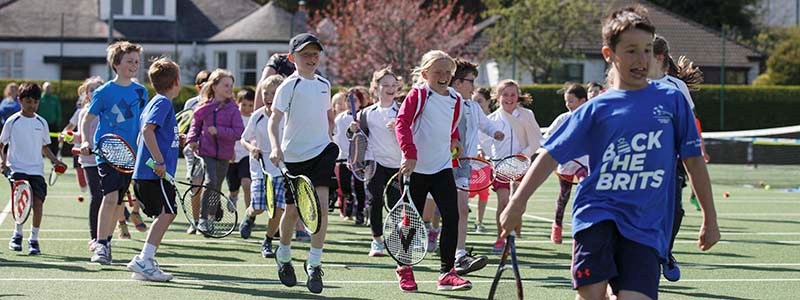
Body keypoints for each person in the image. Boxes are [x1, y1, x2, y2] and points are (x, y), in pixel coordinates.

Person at [499, 6, 721, 300]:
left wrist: (710, 218)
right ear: (609, 54)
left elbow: (693, 160)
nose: (641, 59)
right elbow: (550, 155)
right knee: (591, 294)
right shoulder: (596, 109)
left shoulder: (672, 101)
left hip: (646, 224)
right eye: (631, 51)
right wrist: (517, 203)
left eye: (646, 50)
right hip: (597, 216)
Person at [394, 50, 472, 292]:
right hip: (415, 170)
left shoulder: (456, 99)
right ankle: (404, 268)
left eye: (448, 72)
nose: (443, 76)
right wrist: (409, 154)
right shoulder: (419, 94)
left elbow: (451, 127)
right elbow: (402, 123)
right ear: (426, 73)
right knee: (412, 223)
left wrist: (455, 140)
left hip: (441, 169)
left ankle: (447, 273)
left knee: (452, 217)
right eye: (438, 72)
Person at [268, 33, 337, 294]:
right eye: (305, 54)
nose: (311, 58)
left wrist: (331, 133)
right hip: (294, 157)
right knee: (293, 212)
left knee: (320, 207)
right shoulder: (288, 86)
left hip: (322, 152)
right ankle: (283, 254)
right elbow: (274, 120)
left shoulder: (324, 84)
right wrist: (275, 147)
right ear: (292, 57)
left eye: (315, 54)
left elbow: (326, 115)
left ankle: (314, 262)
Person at [649, 34, 711, 282]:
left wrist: (699, 148)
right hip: (642, 161)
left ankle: (666, 251)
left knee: (675, 212)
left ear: (659, 57)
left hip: (672, 159)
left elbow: (692, 123)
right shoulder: (632, 84)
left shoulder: (676, 87)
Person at [80, 41, 148, 265]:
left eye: (137, 61)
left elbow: (144, 123)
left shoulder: (141, 92)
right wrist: (87, 142)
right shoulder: (104, 92)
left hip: (131, 155)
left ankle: (107, 241)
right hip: (107, 152)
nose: (134, 65)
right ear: (116, 64)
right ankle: (100, 245)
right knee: (109, 198)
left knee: (119, 202)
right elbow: (88, 119)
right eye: (129, 61)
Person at [127, 57, 182, 282]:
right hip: (155, 173)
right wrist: (159, 161)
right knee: (168, 213)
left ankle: (145, 261)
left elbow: (148, 134)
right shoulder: (163, 103)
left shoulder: (154, 102)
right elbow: (148, 131)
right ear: (176, 81)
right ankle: (144, 259)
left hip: (149, 173)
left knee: (165, 213)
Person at [449, 58, 503, 275]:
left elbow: (485, 124)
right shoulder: (444, 103)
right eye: (470, 81)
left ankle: (459, 255)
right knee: (433, 210)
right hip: (439, 165)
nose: (474, 85)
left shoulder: (472, 106)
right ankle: (428, 233)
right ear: (458, 82)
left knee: (461, 209)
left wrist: (495, 132)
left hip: (464, 166)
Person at [0, 82, 66, 255]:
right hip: (17, 168)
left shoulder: (41, 122)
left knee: (38, 203)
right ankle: (17, 234)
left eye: (35, 102)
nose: (32, 105)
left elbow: (44, 147)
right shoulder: (12, 121)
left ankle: (34, 239)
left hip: (36, 170)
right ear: (20, 100)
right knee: (22, 201)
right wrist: (3, 162)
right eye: (28, 101)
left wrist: (54, 161)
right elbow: (2, 144)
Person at [347, 66, 403, 257]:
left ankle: (397, 239)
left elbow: (415, 135)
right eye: (385, 84)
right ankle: (377, 241)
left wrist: (400, 128)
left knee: (396, 204)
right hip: (374, 163)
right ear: (375, 87)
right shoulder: (366, 113)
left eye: (394, 85)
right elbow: (356, 139)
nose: (390, 88)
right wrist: (352, 130)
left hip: (398, 164)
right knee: (374, 200)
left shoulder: (403, 111)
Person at [486, 79, 543, 253]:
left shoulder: (527, 115)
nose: (509, 98)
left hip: (522, 165)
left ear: (518, 96)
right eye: (505, 94)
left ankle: (511, 232)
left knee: (517, 203)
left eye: (513, 94)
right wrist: (494, 159)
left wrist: (521, 157)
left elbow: (536, 140)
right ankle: (501, 238)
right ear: (498, 97)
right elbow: (485, 143)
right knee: (503, 201)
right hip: (500, 167)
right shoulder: (491, 119)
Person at [186, 69, 244, 233]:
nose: (229, 88)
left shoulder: (233, 109)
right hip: (206, 152)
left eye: (231, 86)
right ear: (215, 86)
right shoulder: (204, 107)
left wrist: (219, 131)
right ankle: (203, 219)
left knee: (216, 187)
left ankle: (210, 218)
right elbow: (195, 125)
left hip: (224, 155)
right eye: (225, 85)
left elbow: (239, 132)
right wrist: (192, 140)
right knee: (210, 182)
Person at [240, 74, 286, 257]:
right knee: (259, 207)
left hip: (282, 167)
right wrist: (252, 148)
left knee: (278, 208)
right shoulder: (257, 116)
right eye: (266, 93)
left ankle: (267, 241)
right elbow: (244, 138)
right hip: (260, 167)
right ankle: (250, 214)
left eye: (274, 94)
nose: (268, 97)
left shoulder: (288, 116)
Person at [546, 83, 590, 244]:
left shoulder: (590, 118)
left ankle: (584, 227)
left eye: (571, 101)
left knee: (585, 191)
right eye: (566, 101)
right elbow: (549, 137)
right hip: (565, 164)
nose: (568, 104)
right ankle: (557, 227)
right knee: (563, 197)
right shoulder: (563, 118)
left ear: (582, 101)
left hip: (583, 163)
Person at [182, 70, 210, 235]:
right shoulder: (191, 103)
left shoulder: (219, 103)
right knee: (196, 185)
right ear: (197, 86)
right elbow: (185, 125)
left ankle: (206, 220)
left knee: (211, 185)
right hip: (193, 152)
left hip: (212, 151)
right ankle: (195, 221)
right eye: (203, 83)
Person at [334, 89, 368, 224]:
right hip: (343, 158)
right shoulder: (340, 118)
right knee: (344, 185)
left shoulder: (363, 116)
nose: (350, 103)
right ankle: (348, 204)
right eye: (348, 100)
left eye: (354, 101)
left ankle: (360, 211)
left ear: (360, 102)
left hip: (358, 159)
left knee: (360, 186)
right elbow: (336, 136)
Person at [227, 87, 255, 234]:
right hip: (232, 158)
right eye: (244, 104)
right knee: (233, 188)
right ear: (238, 103)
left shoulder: (254, 118)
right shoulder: (234, 116)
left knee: (247, 183)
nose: (247, 108)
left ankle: (249, 216)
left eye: (250, 105)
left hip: (247, 156)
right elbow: (230, 135)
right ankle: (232, 197)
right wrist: (229, 150)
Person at [469, 87, 493, 232]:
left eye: (480, 101)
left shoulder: (493, 120)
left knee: (484, 194)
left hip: (486, 164)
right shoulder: (470, 116)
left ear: (488, 101)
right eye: (474, 101)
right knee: (465, 194)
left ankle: (479, 222)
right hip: (470, 162)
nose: (476, 104)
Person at [39, 82, 62, 155]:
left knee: (54, 142)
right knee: (40, 141)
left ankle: (54, 158)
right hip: (41, 125)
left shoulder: (54, 99)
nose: (48, 89)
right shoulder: (39, 99)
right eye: (46, 87)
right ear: (43, 88)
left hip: (53, 125)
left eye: (49, 87)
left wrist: (58, 121)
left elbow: (58, 110)